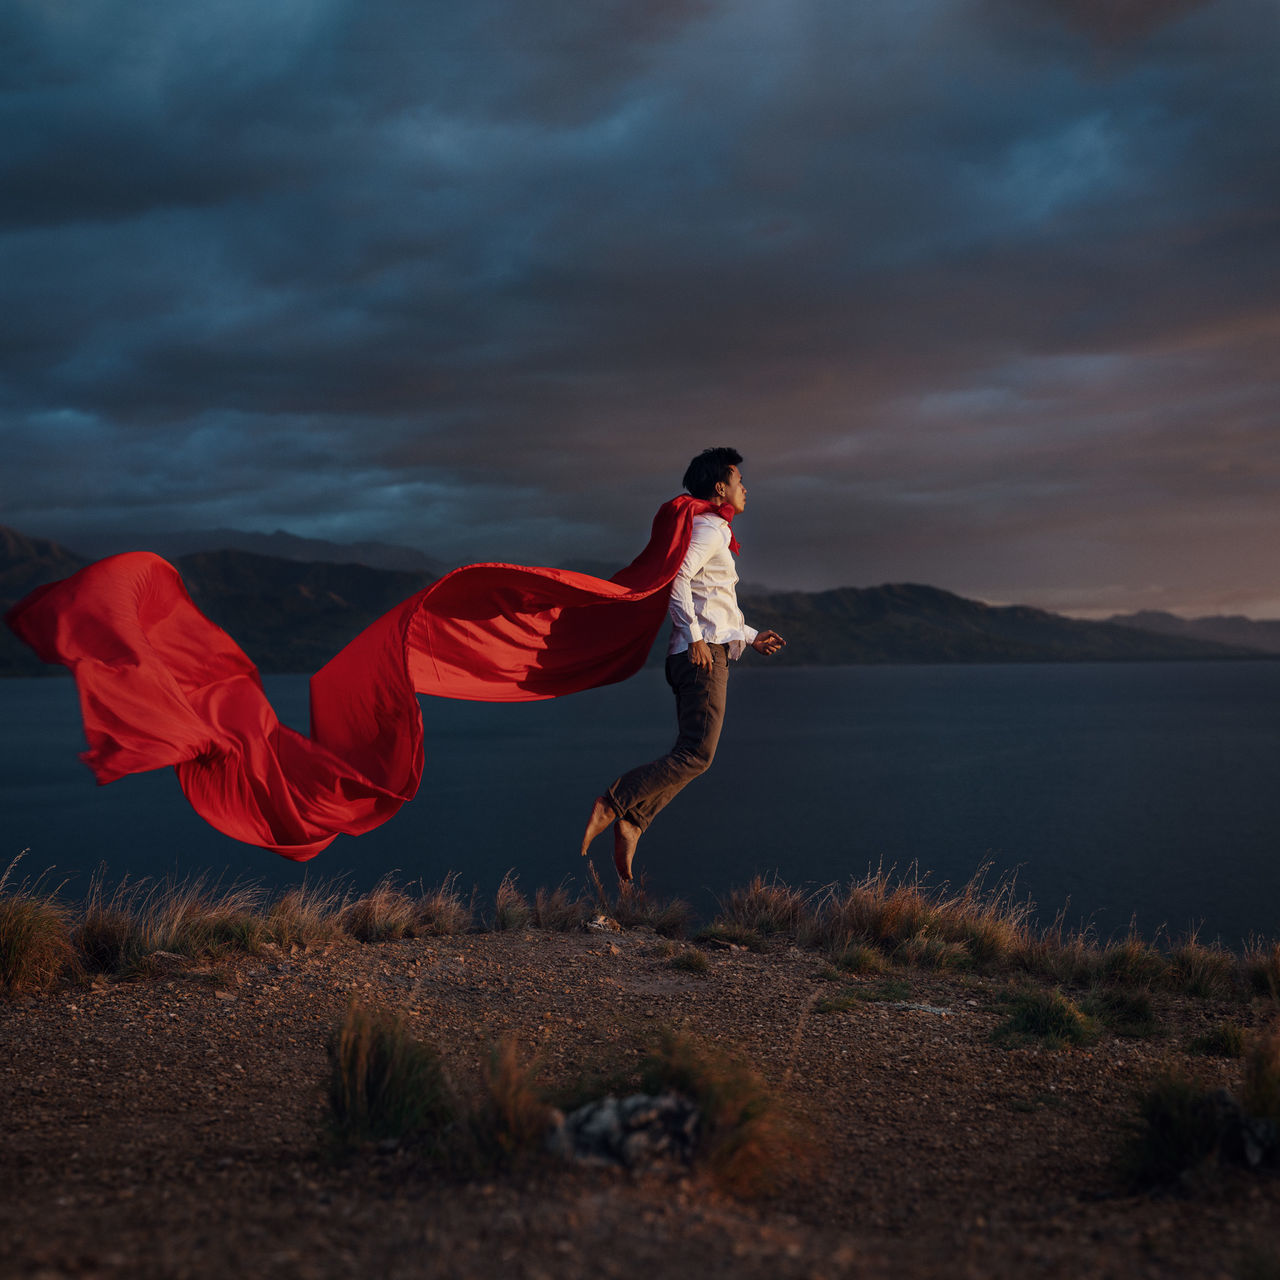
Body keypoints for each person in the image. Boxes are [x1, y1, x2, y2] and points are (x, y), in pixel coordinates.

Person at [580, 447, 786, 883]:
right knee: (698, 753)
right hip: (701, 655)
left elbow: (716, 602)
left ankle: (633, 822)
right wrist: (694, 636)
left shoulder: (713, 531)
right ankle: (616, 803)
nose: (745, 487)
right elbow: (679, 579)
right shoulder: (710, 529)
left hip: (701, 651)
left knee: (691, 753)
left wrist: (751, 635)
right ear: (720, 488)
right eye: (738, 480)